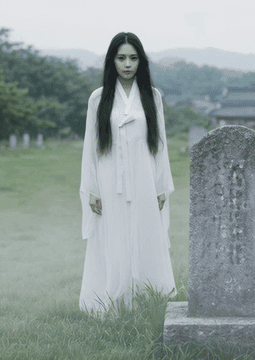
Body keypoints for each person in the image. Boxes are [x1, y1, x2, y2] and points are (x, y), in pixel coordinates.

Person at [78, 32, 176, 312]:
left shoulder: (151, 96)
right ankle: (110, 301)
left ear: (141, 62)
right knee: (112, 237)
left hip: (144, 180)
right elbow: (91, 146)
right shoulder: (99, 98)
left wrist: (160, 185)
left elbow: (159, 144)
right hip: (109, 180)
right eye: (121, 58)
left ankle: (147, 300)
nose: (127, 64)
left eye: (133, 58)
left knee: (145, 234)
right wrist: (92, 189)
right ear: (112, 61)